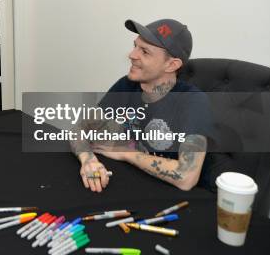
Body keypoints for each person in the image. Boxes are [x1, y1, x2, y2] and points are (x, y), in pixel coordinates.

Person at [72, 19, 214, 193]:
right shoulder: (126, 85)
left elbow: (187, 177)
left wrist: (126, 153)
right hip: (128, 184)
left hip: (172, 198)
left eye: (144, 52)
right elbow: (80, 128)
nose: (132, 55)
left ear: (172, 64)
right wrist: (88, 160)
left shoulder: (193, 101)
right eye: (135, 46)